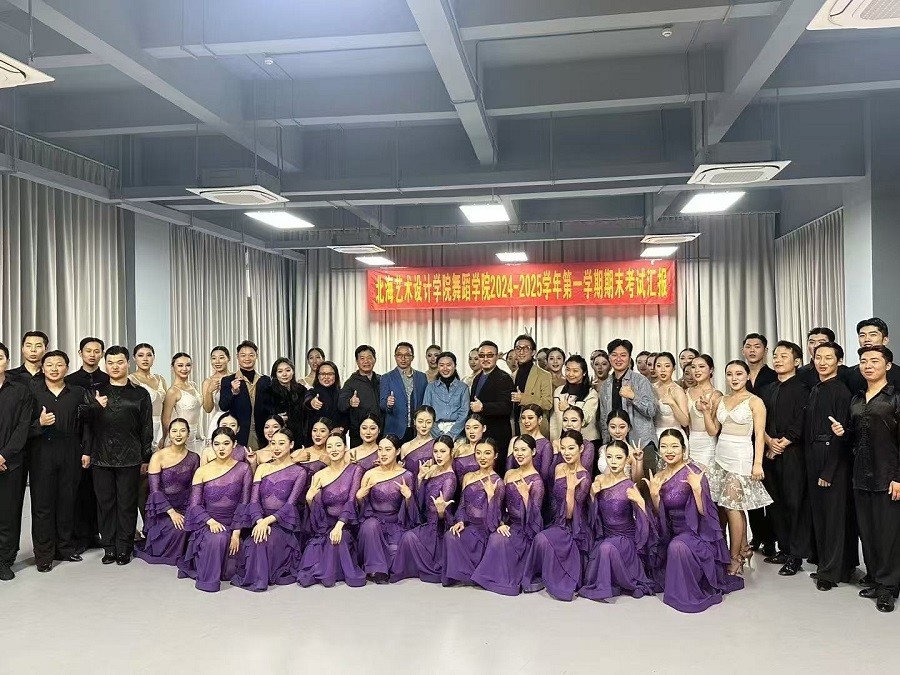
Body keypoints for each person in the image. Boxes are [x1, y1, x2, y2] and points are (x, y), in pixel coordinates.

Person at [833, 345, 900, 613]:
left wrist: (898, 477)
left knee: (888, 535)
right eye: (863, 361)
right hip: (860, 475)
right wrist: (843, 433)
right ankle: (875, 577)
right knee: (868, 532)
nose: (868, 365)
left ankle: (889, 587)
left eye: (874, 361)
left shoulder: (895, 398)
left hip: (888, 476)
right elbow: (854, 437)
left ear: (888, 366)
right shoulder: (857, 399)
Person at [646, 429, 744, 612]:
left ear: (684, 450)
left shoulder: (694, 472)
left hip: (696, 534)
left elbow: (706, 515)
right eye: (664, 446)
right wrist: (654, 496)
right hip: (670, 532)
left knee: (678, 546)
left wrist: (698, 490)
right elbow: (659, 516)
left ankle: (685, 596)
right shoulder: (658, 477)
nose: (669, 451)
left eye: (674, 446)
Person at [28, 350, 92, 573]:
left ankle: (65, 547)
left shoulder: (77, 392)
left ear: (67, 367)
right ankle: (44, 554)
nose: (54, 369)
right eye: (49, 365)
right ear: (43, 368)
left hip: (71, 450)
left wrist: (87, 450)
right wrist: (39, 423)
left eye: (59, 364)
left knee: (67, 501)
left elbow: (87, 424)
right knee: (42, 505)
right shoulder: (33, 392)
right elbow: (22, 426)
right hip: (41, 451)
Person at [707, 360, 773, 574]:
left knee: (732, 507)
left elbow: (759, 436)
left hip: (741, 457)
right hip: (720, 456)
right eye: (729, 374)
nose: (734, 378)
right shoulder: (722, 400)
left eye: (738, 373)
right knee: (723, 507)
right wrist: (707, 412)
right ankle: (743, 549)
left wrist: (758, 464)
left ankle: (735, 557)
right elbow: (713, 431)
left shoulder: (755, 401)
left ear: (747, 376)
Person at [90, 346, 153, 566]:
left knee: (127, 504)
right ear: (105, 364)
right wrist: (94, 406)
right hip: (101, 456)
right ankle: (109, 547)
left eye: (119, 362)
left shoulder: (140, 393)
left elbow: (146, 427)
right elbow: (85, 422)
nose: (115, 367)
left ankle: (124, 547)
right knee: (105, 504)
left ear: (128, 363)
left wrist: (146, 457)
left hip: (130, 457)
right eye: (110, 363)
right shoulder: (96, 391)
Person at [804, 341, 858, 591]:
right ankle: (836, 566)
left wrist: (828, 470)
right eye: (818, 357)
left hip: (832, 459)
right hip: (815, 455)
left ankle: (830, 572)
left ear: (839, 361)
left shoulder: (841, 391)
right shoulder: (817, 388)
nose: (822, 362)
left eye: (828, 357)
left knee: (834, 517)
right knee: (823, 515)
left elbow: (841, 435)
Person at [231, 429, 307, 591]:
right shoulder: (262, 468)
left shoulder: (299, 472)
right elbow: (253, 501)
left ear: (291, 445)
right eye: (273, 443)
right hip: (260, 521)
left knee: (263, 540)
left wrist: (266, 522)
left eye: (281, 443)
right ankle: (256, 577)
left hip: (283, 524)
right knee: (256, 540)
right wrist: (260, 521)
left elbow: (290, 504)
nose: (276, 447)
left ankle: (260, 579)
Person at [177, 426, 251, 592]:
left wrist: (236, 533)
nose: (221, 448)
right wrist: (210, 521)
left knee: (236, 552)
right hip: (208, 523)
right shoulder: (202, 471)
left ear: (234, 444)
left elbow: (244, 503)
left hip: (234, 523)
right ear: (212, 445)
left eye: (226, 443)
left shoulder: (243, 469)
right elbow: (195, 505)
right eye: (217, 444)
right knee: (217, 538)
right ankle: (208, 583)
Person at [760, 341, 812, 576]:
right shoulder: (766, 389)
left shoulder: (803, 388)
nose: (778, 359)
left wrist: (783, 442)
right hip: (769, 451)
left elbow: (803, 419)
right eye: (775, 356)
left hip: (793, 453)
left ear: (797, 361)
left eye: (784, 356)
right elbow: (758, 420)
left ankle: (796, 556)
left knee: (794, 503)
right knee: (775, 503)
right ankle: (784, 548)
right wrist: (769, 441)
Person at [581, 440, 655, 602]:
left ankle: (605, 588)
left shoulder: (629, 485)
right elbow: (593, 517)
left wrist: (641, 502)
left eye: (618, 457)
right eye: (609, 457)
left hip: (625, 539)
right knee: (597, 553)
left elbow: (644, 521)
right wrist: (592, 495)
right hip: (605, 536)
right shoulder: (599, 480)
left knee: (606, 548)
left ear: (627, 459)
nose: (613, 462)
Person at [471, 435, 545, 596]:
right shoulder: (509, 473)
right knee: (495, 534)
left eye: (523, 450)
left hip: (525, 530)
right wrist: (501, 522)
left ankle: (502, 581)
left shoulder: (537, 481)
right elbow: (502, 505)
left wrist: (526, 497)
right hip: (509, 523)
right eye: (516, 450)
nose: (519, 453)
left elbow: (535, 519)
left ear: (533, 451)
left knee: (498, 539)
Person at [522, 430, 591, 601]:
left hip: (574, 525)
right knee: (540, 538)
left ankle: (558, 579)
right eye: (563, 448)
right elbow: (554, 497)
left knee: (543, 539)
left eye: (571, 448)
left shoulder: (584, 476)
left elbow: (570, 514)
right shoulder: (559, 468)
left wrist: (571, 489)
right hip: (557, 520)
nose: (566, 453)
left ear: (581, 448)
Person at [296, 433, 366, 588]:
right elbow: (316, 513)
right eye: (330, 446)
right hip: (325, 526)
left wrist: (339, 526)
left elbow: (351, 501)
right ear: (326, 450)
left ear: (345, 448)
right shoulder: (318, 475)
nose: (334, 449)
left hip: (346, 525)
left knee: (336, 541)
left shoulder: (355, 470)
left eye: (338, 445)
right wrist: (309, 500)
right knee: (312, 556)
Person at [391, 435, 457, 583]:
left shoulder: (450, 478)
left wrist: (440, 510)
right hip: (424, 518)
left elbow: (440, 507)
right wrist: (420, 478)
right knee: (406, 534)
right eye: (436, 451)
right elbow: (421, 500)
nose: (438, 455)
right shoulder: (432, 469)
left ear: (451, 452)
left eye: (443, 451)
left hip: (438, 525)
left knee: (409, 537)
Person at [135, 418, 200, 566]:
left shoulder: (194, 458)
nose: (178, 434)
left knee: (193, 527)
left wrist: (190, 511)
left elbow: (194, 489)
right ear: (169, 434)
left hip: (185, 507)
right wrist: (172, 513)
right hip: (162, 509)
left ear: (188, 434)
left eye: (182, 431)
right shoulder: (158, 456)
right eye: (174, 431)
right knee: (179, 529)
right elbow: (155, 491)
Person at [65, 337, 108, 554]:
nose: (92, 354)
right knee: (79, 489)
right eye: (88, 351)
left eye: (97, 351)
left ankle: (95, 533)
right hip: (78, 440)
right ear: (80, 353)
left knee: (99, 490)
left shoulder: (108, 379)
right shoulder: (70, 380)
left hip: (104, 439)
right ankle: (80, 536)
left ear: (102, 354)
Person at [442, 438, 504, 586]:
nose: (482, 457)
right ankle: (463, 574)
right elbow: (462, 505)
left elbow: (496, 517)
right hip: (469, 526)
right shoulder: (468, 477)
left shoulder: (498, 482)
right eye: (478, 453)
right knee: (450, 535)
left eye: (487, 453)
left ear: (495, 455)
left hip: (485, 529)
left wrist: (491, 497)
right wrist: (460, 521)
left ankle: (477, 575)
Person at [356, 434, 417, 582]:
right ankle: (376, 570)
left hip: (396, 524)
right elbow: (360, 510)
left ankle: (382, 566)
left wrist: (409, 497)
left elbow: (411, 513)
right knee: (371, 525)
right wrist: (359, 498)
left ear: (397, 451)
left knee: (395, 559)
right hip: (372, 524)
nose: (383, 454)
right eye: (380, 449)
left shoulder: (407, 476)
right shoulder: (369, 474)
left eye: (388, 449)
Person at [0, 342, 34, 581]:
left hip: (11, 462)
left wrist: (4, 455)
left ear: (7, 361)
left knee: (9, 514)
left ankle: (4, 559)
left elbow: (23, 427)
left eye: (0, 357)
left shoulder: (21, 390)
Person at [599, 339, 658, 469]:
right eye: (614, 355)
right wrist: (606, 443)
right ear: (609, 357)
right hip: (615, 446)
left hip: (641, 442)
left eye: (623, 355)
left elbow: (652, 410)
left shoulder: (641, 381)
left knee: (645, 480)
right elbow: (604, 418)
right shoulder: (605, 385)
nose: (618, 359)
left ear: (629, 357)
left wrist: (633, 397)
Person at [468, 341, 515, 473]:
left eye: (489, 355)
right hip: (480, 434)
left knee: (496, 472)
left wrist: (483, 407)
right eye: (482, 355)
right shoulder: (477, 378)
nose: (485, 359)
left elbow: (506, 407)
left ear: (496, 357)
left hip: (497, 434)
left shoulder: (504, 378)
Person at [218, 340, 272, 451]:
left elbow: (270, 406)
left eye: (251, 355)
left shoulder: (265, 380)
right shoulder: (228, 380)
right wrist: (233, 392)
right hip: (239, 433)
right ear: (237, 357)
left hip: (262, 433)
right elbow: (223, 406)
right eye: (243, 355)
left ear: (256, 356)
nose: (247, 358)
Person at [380, 342, 428, 443]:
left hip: (417, 430)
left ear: (412, 357)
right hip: (395, 429)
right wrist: (388, 403)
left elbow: (425, 402)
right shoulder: (386, 378)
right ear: (395, 357)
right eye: (399, 355)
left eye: (407, 355)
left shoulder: (422, 377)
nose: (403, 358)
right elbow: (382, 404)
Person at [160, 353, 204, 455]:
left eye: (188, 365)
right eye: (180, 365)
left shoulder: (193, 385)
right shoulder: (172, 391)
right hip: (179, 437)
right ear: (173, 367)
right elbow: (166, 419)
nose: (184, 369)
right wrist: (174, 436)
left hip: (193, 436)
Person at [338, 345, 381, 448]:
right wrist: (350, 402)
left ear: (375, 360)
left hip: (380, 433)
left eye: (369, 357)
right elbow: (341, 404)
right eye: (362, 358)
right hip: (358, 434)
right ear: (357, 361)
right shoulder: (350, 383)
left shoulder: (381, 380)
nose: (366, 361)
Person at [843, 318, 900, 394]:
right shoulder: (848, 374)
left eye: (873, 335)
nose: (867, 339)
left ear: (885, 340)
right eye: (862, 335)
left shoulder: (898, 373)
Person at [550, 355, 599, 443]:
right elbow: (554, 420)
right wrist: (554, 440)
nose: (570, 374)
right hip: (562, 440)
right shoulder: (558, 391)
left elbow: (586, 419)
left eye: (575, 371)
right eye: (568, 370)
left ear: (584, 373)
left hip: (587, 440)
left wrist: (568, 408)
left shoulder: (591, 393)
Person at [686, 355, 722, 470]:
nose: (697, 370)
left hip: (707, 445)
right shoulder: (686, 392)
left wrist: (706, 410)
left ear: (711, 370)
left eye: (701, 366)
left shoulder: (716, 395)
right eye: (693, 367)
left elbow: (714, 431)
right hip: (689, 443)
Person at [423, 352, 469, 441]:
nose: (445, 368)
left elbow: (464, 413)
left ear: (455, 366)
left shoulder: (463, 388)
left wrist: (451, 434)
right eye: (441, 365)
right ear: (437, 367)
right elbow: (427, 412)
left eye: (448, 365)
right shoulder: (430, 387)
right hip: (434, 430)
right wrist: (438, 434)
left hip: (458, 432)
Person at [128, 343, 167, 448]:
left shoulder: (160, 379)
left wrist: (166, 435)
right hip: (142, 428)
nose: (145, 359)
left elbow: (166, 411)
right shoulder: (131, 380)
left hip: (160, 429)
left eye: (149, 355)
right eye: (140, 355)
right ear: (134, 358)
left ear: (154, 357)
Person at [507, 405, 553, 486]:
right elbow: (508, 469)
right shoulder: (514, 441)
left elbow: (544, 475)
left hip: (535, 487)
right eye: (523, 418)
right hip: (513, 485)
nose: (526, 421)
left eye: (530, 418)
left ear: (540, 419)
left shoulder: (546, 445)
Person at [303, 360, 347, 441]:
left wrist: (341, 428)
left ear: (336, 376)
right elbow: (307, 401)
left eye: (330, 374)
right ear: (318, 376)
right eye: (323, 374)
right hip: (315, 439)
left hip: (336, 439)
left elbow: (347, 415)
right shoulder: (312, 392)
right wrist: (312, 402)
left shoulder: (342, 394)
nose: (326, 377)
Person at [596, 410, 644, 481]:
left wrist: (639, 461)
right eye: (613, 427)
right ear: (608, 427)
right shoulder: (602, 449)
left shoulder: (632, 453)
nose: (617, 431)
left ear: (628, 428)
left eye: (622, 427)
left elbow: (638, 482)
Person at [653, 352, 690, 438]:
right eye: (659, 366)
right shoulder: (651, 388)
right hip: (654, 436)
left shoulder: (677, 390)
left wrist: (672, 403)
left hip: (674, 435)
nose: (663, 370)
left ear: (674, 368)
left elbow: (685, 422)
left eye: (667, 366)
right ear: (654, 368)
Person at [201, 346, 232, 442]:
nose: (217, 362)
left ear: (228, 359)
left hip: (236, 420)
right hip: (218, 420)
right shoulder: (208, 382)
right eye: (214, 358)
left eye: (221, 358)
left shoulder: (236, 377)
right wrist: (209, 391)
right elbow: (208, 409)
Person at [399, 406, 437, 474]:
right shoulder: (405, 447)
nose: (424, 425)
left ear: (433, 423)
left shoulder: (436, 446)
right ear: (414, 422)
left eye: (428, 422)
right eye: (420, 421)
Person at [453, 414, 485, 479]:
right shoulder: (459, 448)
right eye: (468, 428)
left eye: (475, 427)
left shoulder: (487, 450)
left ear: (484, 428)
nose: (471, 431)